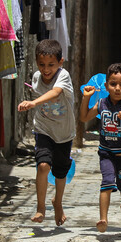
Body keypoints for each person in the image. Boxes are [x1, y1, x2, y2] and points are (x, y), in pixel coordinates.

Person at [79, 63, 121, 232]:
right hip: (106, 152)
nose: (117, 88)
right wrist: (86, 97)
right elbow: (84, 117)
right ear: (106, 86)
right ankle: (103, 218)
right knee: (107, 182)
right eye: (113, 84)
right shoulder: (102, 103)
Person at [17, 39, 75, 226]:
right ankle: (40, 207)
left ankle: (57, 202)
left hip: (64, 132)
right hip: (43, 128)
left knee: (60, 172)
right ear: (36, 62)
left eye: (51, 65)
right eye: (42, 65)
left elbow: (56, 92)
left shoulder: (63, 76)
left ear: (60, 62)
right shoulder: (36, 77)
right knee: (43, 165)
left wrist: (33, 103)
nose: (46, 69)